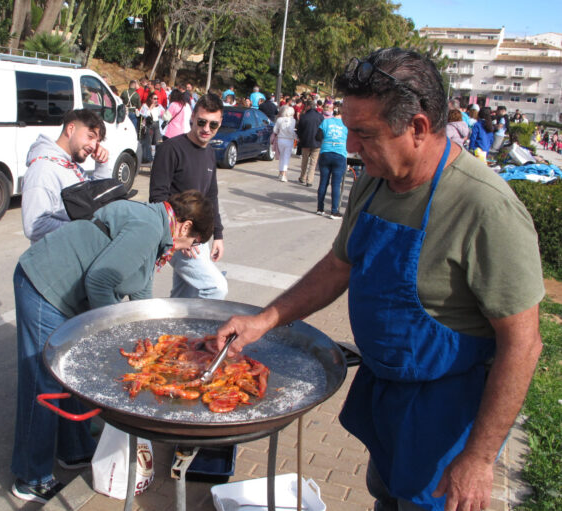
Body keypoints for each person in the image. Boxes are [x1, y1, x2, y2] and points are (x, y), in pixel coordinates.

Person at [212, 48, 544, 511]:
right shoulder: (373, 180)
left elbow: (523, 344)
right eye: (348, 129)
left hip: (447, 415)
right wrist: (263, 320)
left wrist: (480, 457)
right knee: (385, 497)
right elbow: (338, 265)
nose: (349, 147)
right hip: (385, 394)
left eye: (364, 133)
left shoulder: (486, 208)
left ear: (420, 128)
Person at [11, 190, 214, 504]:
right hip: (45, 284)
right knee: (43, 379)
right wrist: (114, 334)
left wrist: (152, 341)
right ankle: (30, 477)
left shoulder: (157, 230)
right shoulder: (149, 227)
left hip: (68, 292)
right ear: (185, 227)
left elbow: (140, 288)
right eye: (195, 243)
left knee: (75, 372)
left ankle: (74, 449)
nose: (191, 251)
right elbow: (100, 282)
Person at [150, 94, 228, 300]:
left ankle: (176, 331)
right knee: (216, 288)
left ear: (220, 125)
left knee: (183, 296)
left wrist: (217, 235)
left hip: (198, 237)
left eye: (213, 125)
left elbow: (211, 198)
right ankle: (203, 332)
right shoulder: (171, 149)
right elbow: (157, 198)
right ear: (192, 117)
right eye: (202, 122)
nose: (206, 129)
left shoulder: (210, 152)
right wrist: (177, 238)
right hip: (178, 237)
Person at [21, 109, 111, 243]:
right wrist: (87, 230)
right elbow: (35, 226)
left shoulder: (70, 165)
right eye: (90, 136)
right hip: (57, 260)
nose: (93, 146)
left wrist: (101, 164)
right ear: (71, 129)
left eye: (97, 141)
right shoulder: (43, 170)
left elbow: (97, 198)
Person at [315, 107, 348, 218]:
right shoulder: (346, 125)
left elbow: (318, 136)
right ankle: (334, 211)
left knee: (323, 181)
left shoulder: (326, 121)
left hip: (326, 152)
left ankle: (320, 208)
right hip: (340, 153)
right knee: (336, 184)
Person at [296, 97, 323, 186]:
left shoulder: (303, 117)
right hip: (317, 142)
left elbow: (299, 130)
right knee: (313, 162)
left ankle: (302, 177)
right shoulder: (320, 117)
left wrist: (300, 137)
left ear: (308, 106)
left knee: (305, 161)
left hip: (305, 141)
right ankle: (310, 180)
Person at [273, 105, 297, 182]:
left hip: (280, 139)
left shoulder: (279, 119)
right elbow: (291, 131)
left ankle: (280, 173)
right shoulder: (293, 120)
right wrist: (295, 136)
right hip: (289, 140)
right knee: (286, 157)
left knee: (282, 156)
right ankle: (284, 174)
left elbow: (275, 130)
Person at [139, 92, 165, 162]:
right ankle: (147, 158)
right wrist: (150, 108)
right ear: (150, 99)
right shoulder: (145, 106)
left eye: (157, 98)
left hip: (157, 125)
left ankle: (158, 158)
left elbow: (163, 114)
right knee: (148, 142)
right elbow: (144, 114)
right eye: (154, 98)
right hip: (149, 125)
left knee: (159, 142)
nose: (156, 100)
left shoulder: (159, 106)